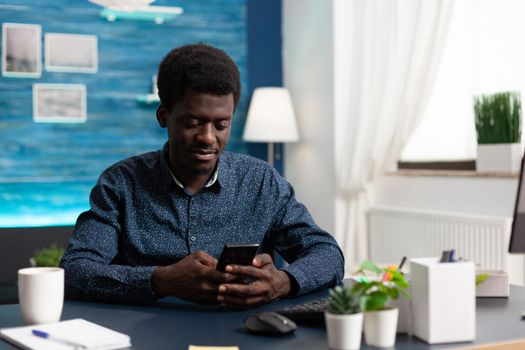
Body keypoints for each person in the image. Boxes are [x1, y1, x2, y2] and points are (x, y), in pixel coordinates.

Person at [60, 43, 344, 308]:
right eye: (193, 123)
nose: (208, 138)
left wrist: (282, 282)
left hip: (245, 331)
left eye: (221, 124)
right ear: (163, 116)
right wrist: (161, 280)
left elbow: (327, 253)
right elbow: (74, 272)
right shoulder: (121, 184)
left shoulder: (261, 182)